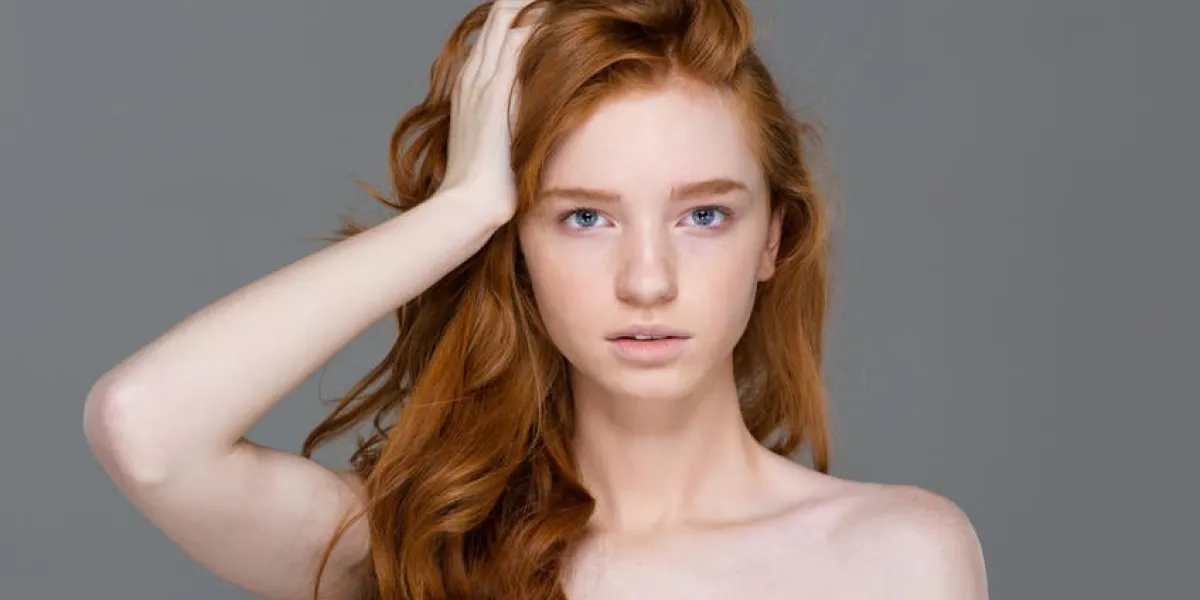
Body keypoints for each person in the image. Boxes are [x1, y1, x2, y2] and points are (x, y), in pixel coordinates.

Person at [82, 0, 988, 598]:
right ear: (515, 247)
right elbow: (144, 428)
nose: (648, 279)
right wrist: (462, 211)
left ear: (773, 241)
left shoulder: (894, 558)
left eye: (704, 213)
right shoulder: (417, 553)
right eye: (584, 217)